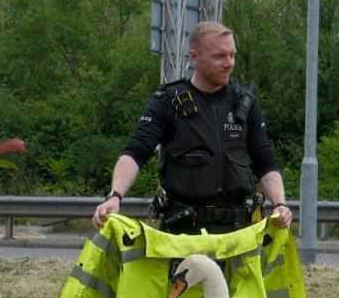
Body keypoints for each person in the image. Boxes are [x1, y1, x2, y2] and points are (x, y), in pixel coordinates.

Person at [92, 20, 293, 233]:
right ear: (194, 57)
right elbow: (135, 152)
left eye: (232, 55)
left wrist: (280, 204)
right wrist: (115, 196)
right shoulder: (167, 101)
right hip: (184, 232)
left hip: (240, 233)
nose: (229, 63)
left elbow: (265, 161)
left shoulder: (245, 102)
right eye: (219, 56)